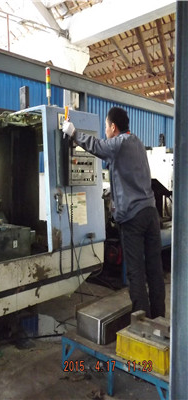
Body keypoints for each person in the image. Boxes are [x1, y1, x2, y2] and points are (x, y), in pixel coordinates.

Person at [62, 106, 165, 319]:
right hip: (150, 213)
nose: (105, 131)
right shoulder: (136, 142)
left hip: (133, 218)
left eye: (106, 127)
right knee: (155, 269)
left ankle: (142, 324)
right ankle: (159, 319)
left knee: (135, 272)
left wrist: (74, 133)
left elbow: (98, 146)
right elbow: (129, 174)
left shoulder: (119, 143)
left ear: (113, 127)